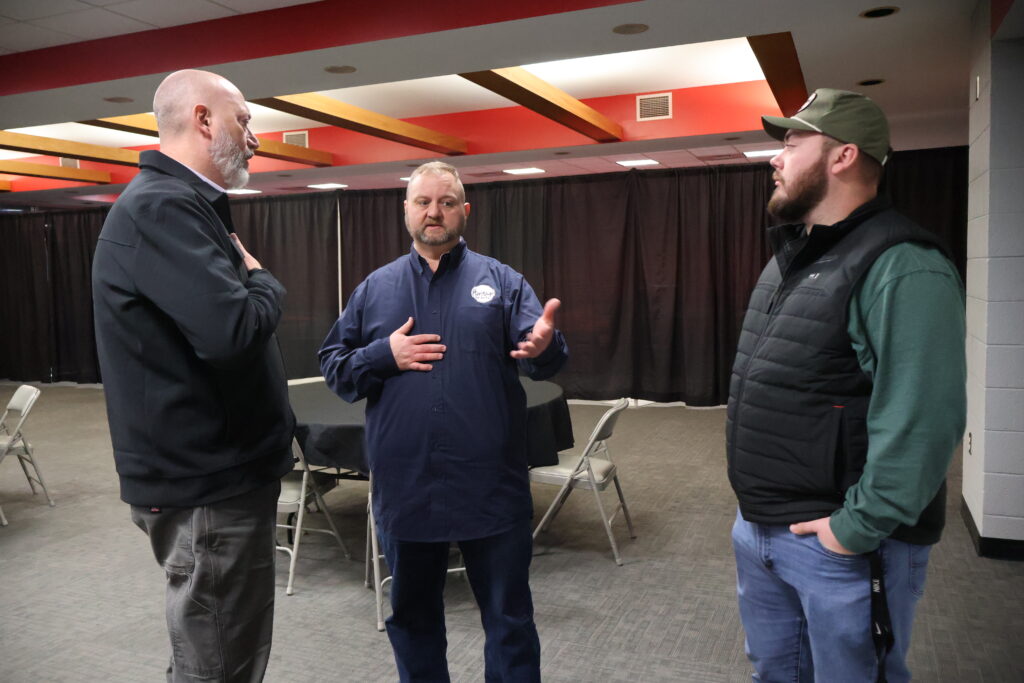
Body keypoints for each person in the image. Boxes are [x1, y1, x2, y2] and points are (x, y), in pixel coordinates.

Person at [726, 88, 966, 683]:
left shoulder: (902, 263)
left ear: (843, 157)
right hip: (761, 527)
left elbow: (923, 420)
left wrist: (852, 530)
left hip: (845, 544)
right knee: (776, 673)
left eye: (791, 142)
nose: (774, 158)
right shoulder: (791, 255)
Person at [319, 161, 567, 682]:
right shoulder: (374, 289)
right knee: (412, 620)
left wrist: (544, 348)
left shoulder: (502, 281)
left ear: (465, 211)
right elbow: (336, 371)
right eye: (423, 202)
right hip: (407, 487)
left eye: (447, 202)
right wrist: (381, 355)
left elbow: (540, 350)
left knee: (510, 621)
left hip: (490, 488)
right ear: (406, 209)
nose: (434, 212)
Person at [92, 69, 294, 682]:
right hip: (209, 488)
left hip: (216, 479)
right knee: (219, 666)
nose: (255, 137)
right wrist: (264, 282)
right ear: (204, 119)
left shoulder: (180, 207)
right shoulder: (162, 208)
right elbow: (231, 331)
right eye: (244, 120)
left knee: (212, 655)